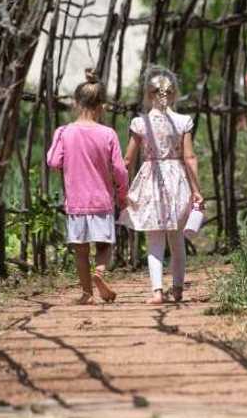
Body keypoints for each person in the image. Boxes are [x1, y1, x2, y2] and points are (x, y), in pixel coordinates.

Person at [121, 66, 204, 304]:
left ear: (149, 94)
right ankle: (177, 290)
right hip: (177, 180)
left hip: (151, 180)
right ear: (174, 94)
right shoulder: (183, 122)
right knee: (176, 240)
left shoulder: (140, 123)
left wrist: (119, 185)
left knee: (154, 240)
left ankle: (157, 292)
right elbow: (189, 158)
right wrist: (197, 190)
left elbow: (127, 160)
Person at [46, 68, 129, 304]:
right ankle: (100, 273)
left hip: (76, 203)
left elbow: (53, 161)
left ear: (75, 103)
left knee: (81, 251)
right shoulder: (108, 134)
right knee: (104, 246)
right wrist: (123, 194)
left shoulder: (64, 132)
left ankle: (86, 294)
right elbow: (120, 170)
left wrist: (57, 138)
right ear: (101, 106)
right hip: (101, 201)